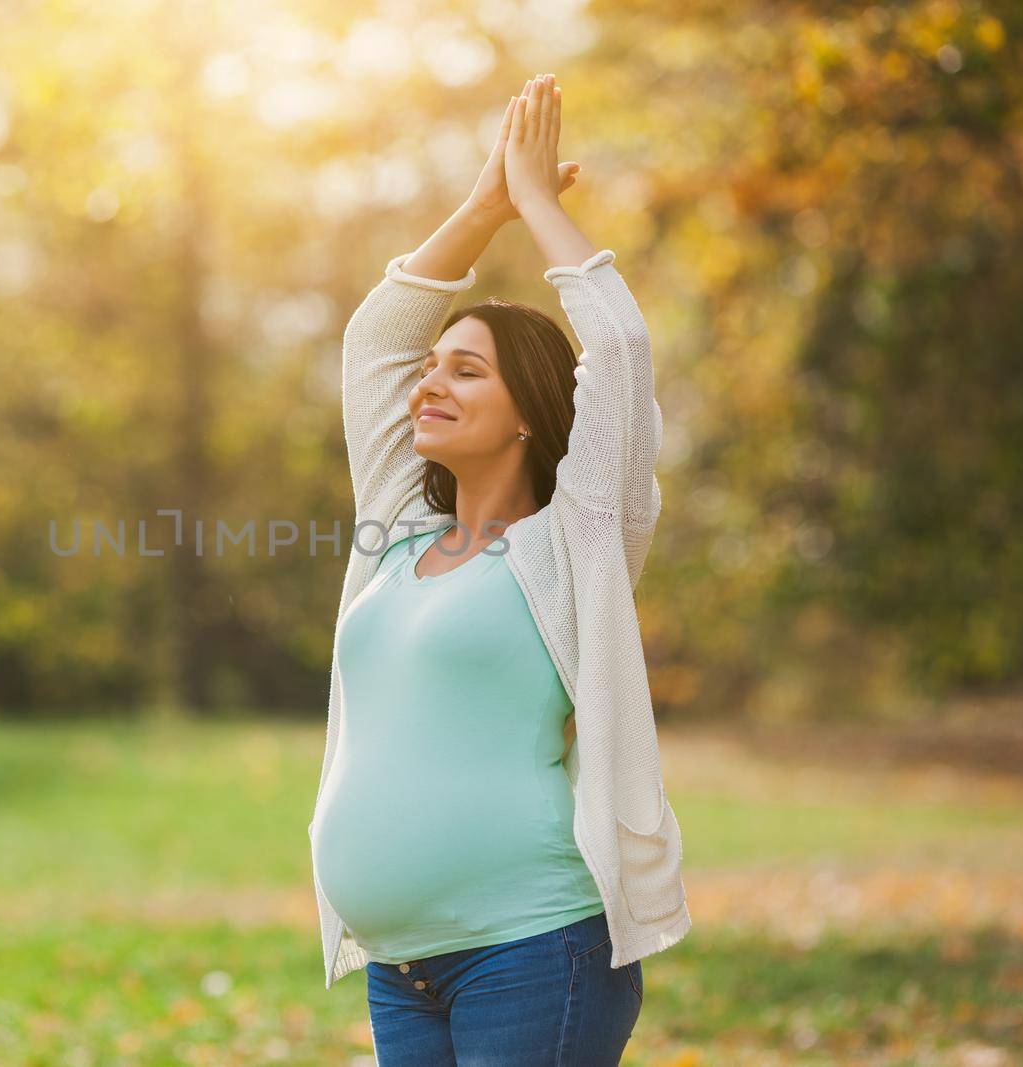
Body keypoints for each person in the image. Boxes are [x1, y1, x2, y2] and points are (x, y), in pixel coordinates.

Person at [307, 73, 690, 1064]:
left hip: (534, 949)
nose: (427, 381)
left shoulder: (576, 541)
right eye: (432, 368)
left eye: (465, 369)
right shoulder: (392, 530)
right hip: (403, 970)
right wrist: (483, 204)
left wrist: (541, 211)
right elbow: (374, 340)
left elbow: (619, 349)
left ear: (529, 409)